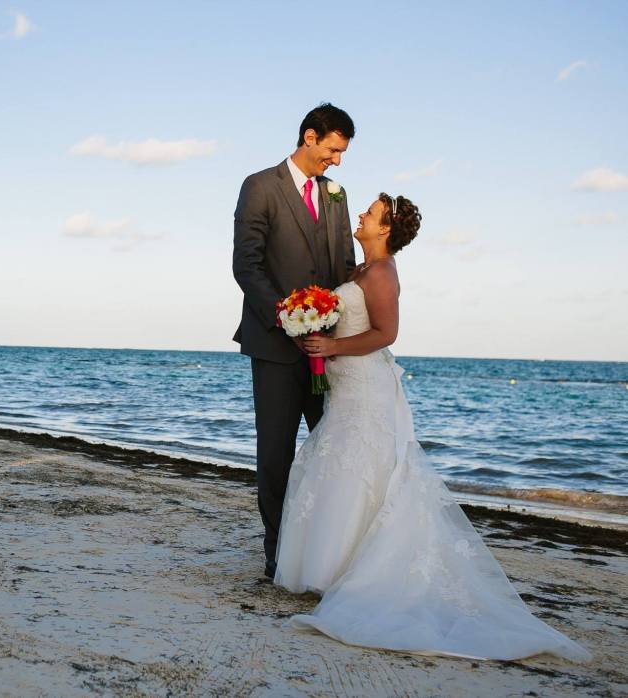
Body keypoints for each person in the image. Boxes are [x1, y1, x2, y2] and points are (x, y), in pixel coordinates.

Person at [274, 194, 590, 661]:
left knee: (359, 467)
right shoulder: (359, 270)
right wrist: (318, 338)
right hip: (346, 386)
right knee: (340, 465)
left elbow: (386, 334)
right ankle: (331, 567)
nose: (361, 215)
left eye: (371, 213)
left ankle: (353, 571)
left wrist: (331, 348)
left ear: (386, 228)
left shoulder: (382, 272)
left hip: (366, 387)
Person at [232, 103, 357, 579]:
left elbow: (344, 266)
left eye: (341, 154)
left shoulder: (337, 196)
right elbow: (247, 265)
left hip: (329, 349)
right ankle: (278, 553)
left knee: (334, 450)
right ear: (310, 137)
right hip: (275, 346)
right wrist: (290, 320)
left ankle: (326, 549)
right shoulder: (260, 186)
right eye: (333, 150)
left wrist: (337, 327)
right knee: (276, 455)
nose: (336, 161)